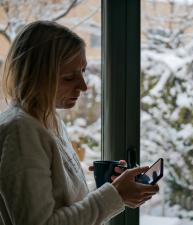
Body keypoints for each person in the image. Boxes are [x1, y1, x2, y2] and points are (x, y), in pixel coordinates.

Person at [0, 20, 159, 225]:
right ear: (34, 76)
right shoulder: (21, 132)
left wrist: (111, 190)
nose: (84, 86)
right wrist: (114, 195)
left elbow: (62, 208)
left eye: (83, 71)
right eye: (68, 77)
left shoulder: (48, 121)